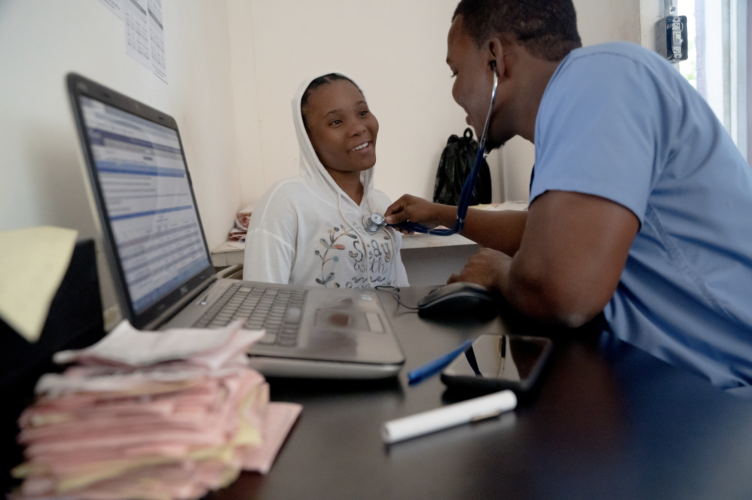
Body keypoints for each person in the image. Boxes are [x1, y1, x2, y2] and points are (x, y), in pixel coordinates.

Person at [385, 0, 752, 393]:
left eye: (455, 71)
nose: (455, 92)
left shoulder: (597, 79)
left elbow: (561, 292)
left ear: (496, 58)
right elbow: (546, 234)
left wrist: (495, 273)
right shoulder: (585, 97)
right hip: (678, 387)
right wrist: (439, 213)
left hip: (731, 404)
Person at [244, 72, 409, 289]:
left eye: (362, 112)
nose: (358, 128)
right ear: (309, 138)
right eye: (336, 121)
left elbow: (401, 293)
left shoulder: (380, 204)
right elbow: (262, 303)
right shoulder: (285, 202)